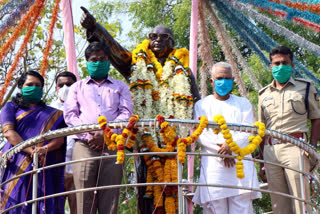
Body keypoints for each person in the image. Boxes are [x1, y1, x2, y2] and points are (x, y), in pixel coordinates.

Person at [64, 41, 133, 214]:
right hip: (84, 146)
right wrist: (90, 136)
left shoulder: (120, 86)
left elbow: (126, 113)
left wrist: (106, 135)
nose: (98, 62)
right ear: (87, 62)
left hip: (112, 145)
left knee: (110, 194)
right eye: (94, 59)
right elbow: (70, 115)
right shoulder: (76, 87)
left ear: (109, 61)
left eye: (102, 59)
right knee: (83, 194)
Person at [258, 46, 320, 214]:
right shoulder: (263, 94)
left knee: (301, 202)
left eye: (285, 63)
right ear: (270, 66)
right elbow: (261, 130)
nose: (280, 66)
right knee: (279, 205)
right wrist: (262, 161)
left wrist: (312, 145)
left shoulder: (305, 87)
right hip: (271, 151)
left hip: (296, 147)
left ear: (292, 65)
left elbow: (316, 118)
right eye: (276, 63)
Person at [192, 62, 261, 214]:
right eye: (220, 78)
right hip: (214, 168)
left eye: (227, 78)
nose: (224, 81)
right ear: (212, 81)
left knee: (242, 209)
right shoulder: (201, 105)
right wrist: (222, 150)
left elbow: (248, 130)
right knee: (214, 208)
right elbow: (201, 135)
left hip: (239, 166)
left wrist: (231, 146)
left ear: (233, 80)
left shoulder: (243, 104)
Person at [0, 70, 66, 213]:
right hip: (17, 164)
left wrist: (43, 149)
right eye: (30, 84)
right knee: (15, 202)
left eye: (38, 85)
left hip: (44, 163)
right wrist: (32, 151)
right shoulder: (11, 107)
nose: (34, 87)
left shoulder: (54, 114)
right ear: (21, 87)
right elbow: (9, 132)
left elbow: (60, 139)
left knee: (41, 202)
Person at [51, 71, 77, 214]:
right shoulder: (49, 111)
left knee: (79, 209)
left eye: (69, 84)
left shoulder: (85, 108)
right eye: (61, 85)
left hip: (77, 169)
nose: (65, 87)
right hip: (55, 169)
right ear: (56, 88)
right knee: (53, 208)